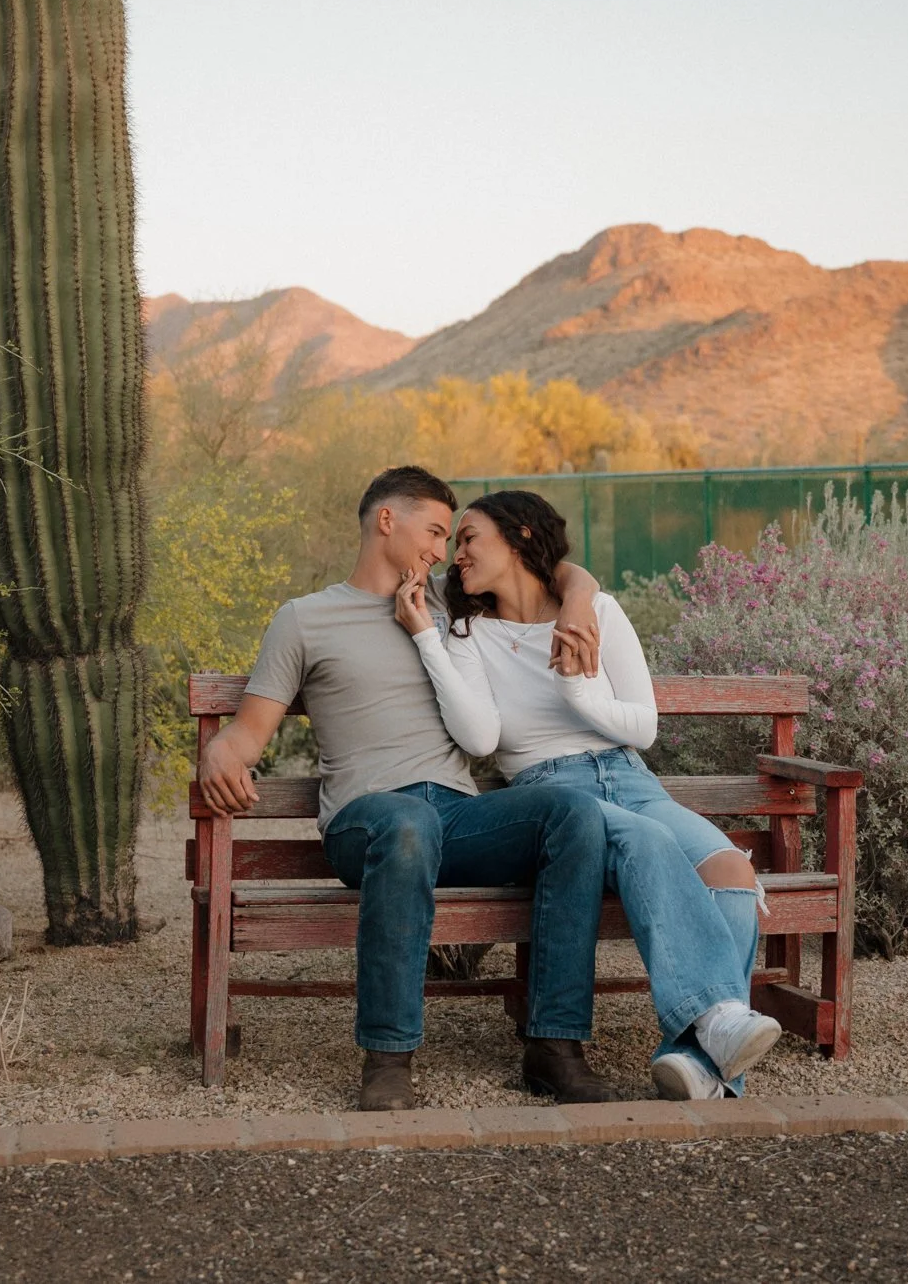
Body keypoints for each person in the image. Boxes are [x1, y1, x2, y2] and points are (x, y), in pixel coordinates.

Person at [196, 466, 627, 1112]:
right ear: (386, 520)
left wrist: (578, 599)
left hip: (455, 815)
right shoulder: (306, 619)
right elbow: (248, 731)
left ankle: (554, 1047)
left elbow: (552, 569)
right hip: (368, 820)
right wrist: (218, 753)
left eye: (450, 537)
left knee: (574, 813)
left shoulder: (453, 606)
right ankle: (388, 1058)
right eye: (433, 530)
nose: (440, 549)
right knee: (405, 823)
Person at [396, 489, 780, 1100]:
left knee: (732, 870)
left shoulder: (597, 608)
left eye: (468, 538)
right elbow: (480, 736)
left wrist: (579, 690)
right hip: (556, 795)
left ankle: (696, 1062)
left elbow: (644, 728)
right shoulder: (467, 630)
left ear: (520, 536)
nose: (456, 554)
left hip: (630, 777)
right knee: (649, 841)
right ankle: (718, 1021)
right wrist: (426, 637)